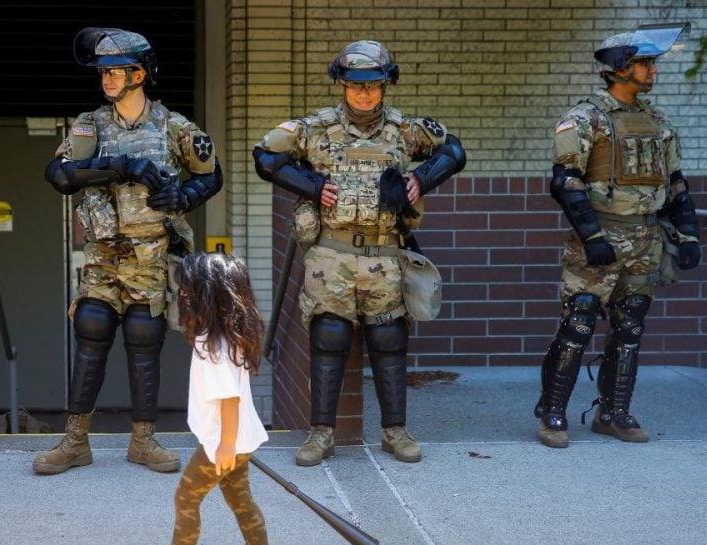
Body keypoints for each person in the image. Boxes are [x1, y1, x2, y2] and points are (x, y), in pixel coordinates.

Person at [253, 40, 466, 466]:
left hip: (386, 255)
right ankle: (321, 435)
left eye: (373, 86)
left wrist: (422, 178)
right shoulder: (314, 128)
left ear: (386, 85)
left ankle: (395, 432)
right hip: (330, 256)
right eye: (355, 86)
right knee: (328, 339)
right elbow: (265, 156)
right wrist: (311, 186)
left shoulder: (406, 130)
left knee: (389, 341)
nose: (364, 94)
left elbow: (454, 151)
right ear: (343, 86)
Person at [37, 27, 222, 475]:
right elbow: (59, 175)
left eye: (116, 70)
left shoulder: (173, 126)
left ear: (141, 73)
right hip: (103, 254)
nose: (107, 79)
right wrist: (118, 166)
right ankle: (75, 440)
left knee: (145, 337)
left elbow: (211, 175)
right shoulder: (90, 125)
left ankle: (144, 440)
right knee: (91, 327)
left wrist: (184, 197)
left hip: (151, 255)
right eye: (103, 71)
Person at [535, 23, 698, 448]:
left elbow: (675, 182)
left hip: (645, 239)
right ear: (620, 68)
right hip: (599, 238)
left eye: (651, 63)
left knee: (630, 329)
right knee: (579, 322)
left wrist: (689, 234)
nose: (652, 70)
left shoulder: (657, 122)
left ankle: (614, 412)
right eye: (645, 63)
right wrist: (591, 237)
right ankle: (552, 412)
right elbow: (565, 182)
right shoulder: (585, 119)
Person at [171, 252, 269, 545]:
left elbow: (229, 399)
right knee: (241, 503)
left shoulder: (212, 343)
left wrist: (225, 445)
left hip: (223, 443)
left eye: (189, 288)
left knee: (185, 499)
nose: (183, 294)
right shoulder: (229, 335)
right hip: (235, 441)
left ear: (208, 295)